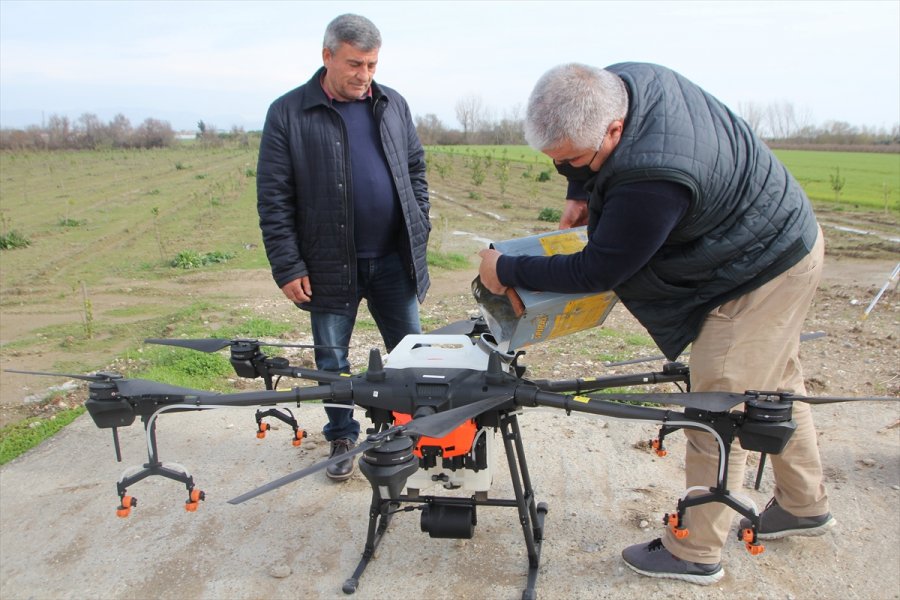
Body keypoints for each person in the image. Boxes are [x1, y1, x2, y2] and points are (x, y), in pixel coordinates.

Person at [477, 62, 832, 585]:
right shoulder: (620, 83)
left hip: (760, 271)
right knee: (775, 382)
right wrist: (581, 190)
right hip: (784, 237)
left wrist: (506, 268)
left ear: (614, 130)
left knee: (717, 406)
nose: (565, 170)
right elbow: (595, 183)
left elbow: (602, 268)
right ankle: (804, 504)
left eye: (572, 161)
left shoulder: (653, 176)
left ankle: (694, 551)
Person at [257, 14, 430, 482]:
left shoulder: (392, 104)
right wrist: (288, 265)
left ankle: (409, 431)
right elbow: (274, 197)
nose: (365, 75)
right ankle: (341, 433)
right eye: (355, 63)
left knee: (409, 352)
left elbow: (415, 169)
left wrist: (420, 225)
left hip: (394, 260)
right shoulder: (289, 112)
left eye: (372, 64)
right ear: (327, 55)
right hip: (329, 264)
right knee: (332, 358)